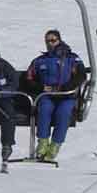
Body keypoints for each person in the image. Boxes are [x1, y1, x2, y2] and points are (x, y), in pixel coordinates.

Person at [23, 30, 87, 161]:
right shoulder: (40, 61)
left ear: (59, 41)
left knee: (63, 113)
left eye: (53, 40)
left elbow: (81, 75)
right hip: (47, 95)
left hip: (66, 95)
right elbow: (28, 79)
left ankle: (55, 145)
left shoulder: (71, 58)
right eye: (47, 41)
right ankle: (42, 143)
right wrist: (41, 87)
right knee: (44, 109)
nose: (50, 44)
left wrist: (66, 88)